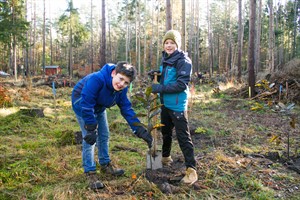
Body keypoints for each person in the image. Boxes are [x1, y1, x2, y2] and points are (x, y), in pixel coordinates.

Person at [72, 61, 153, 190]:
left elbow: (126, 109)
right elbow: (87, 104)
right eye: (120, 79)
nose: (121, 84)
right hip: (82, 103)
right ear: (113, 73)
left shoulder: (121, 90)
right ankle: (90, 172)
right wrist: (90, 128)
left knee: (104, 135)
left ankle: (105, 164)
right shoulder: (97, 79)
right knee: (90, 139)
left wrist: (139, 129)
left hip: (99, 106)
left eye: (126, 82)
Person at [150, 30, 198, 185]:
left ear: (177, 45)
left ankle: (191, 169)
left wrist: (159, 88)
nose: (169, 46)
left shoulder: (184, 60)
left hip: (177, 104)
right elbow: (167, 78)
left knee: (183, 136)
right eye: (166, 43)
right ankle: (165, 157)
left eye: (172, 43)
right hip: (164, 103)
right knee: (165, 132)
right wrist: (157, 74)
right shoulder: (165, 58)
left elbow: (180, 84)